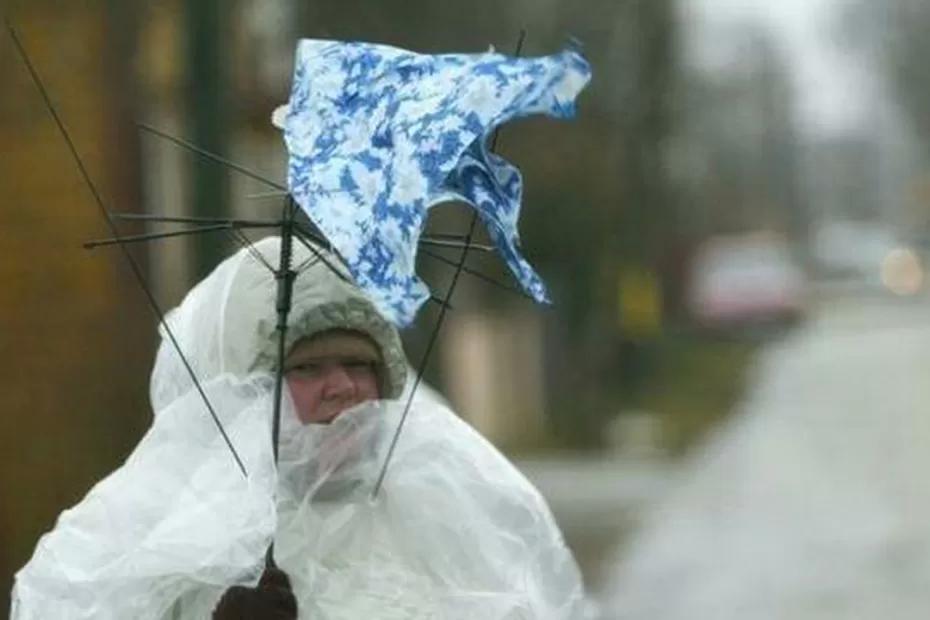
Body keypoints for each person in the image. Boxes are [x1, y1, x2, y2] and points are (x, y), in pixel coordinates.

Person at [12, 237, 587, 619]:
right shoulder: (158, 535)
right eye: (306, 369)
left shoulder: (443, 520)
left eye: (359, 366)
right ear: (242, 394)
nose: (342, 389)